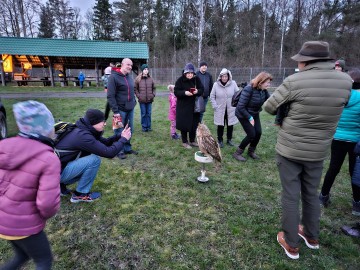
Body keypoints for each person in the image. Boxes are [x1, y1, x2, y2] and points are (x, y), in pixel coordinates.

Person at [263, 41, 353, 260]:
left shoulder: (295, 81)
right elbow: (341, 103)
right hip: (319, 150)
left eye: (300, 61)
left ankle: (291, 242)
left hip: (290, 150)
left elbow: (269, 107)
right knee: (311, 194)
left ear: (307, 61)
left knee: (291, 195)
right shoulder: (346, 81)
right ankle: (311, 236)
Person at [0, 101, 60, 269]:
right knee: (43, 261)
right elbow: (47, 204)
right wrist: (46, 215)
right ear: (46, 127)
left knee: (22, 255)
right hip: (23, 224)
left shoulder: (4, 146)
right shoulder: (48, 158)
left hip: (3, 220)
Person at [56, 109, 131, 203]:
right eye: (102, 121)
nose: (105, 124)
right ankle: (80, 195)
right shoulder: (83, 136)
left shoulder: (83, 129)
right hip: (55, 174)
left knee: (87, 159)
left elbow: (106, 142)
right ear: (94, 122)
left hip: (54, 171)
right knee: (94, 160)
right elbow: (109, 153)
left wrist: (120, 136)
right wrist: (124, 139)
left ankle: (60, 186)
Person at [319, 69, 360, 215]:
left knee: (333, 168)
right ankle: (357, 203)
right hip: (356, 141)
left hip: (337, 138)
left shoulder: (338, 96)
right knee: (355, 172)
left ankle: (323, 196)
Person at [233, 71, 272, 161]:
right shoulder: (248, 89)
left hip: (254, 112)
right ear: (261, 81)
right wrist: (249, 118)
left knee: (258, 133)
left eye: (269, 82)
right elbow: (240, 106)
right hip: (243, 114)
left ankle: (251, 151)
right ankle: (237, 153)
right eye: (267, 82)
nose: (269, 84)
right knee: (251, 134)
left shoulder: (263, 90)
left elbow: (270, 100)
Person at [107, 58, 138, 159]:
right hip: (119, 110)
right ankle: (118, 150)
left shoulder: (129, 77)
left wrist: (134, 101)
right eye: (128, 65)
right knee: (119, 131)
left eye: (131, 65)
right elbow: (110, 96)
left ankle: (127, 148)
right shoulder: (113, 77)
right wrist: (115, 111)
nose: (130, 67)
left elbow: (131, 91)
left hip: (130, 109)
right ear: (122, 64)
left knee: (129, 130)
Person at [174, 63, 204, 149]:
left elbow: (202, 89)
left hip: (194, 107)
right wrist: (184, 93)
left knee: (194, 124)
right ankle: (184, 141)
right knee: (184, 125)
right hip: (183, 107)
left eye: (191, 73)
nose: (190, 75)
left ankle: (192, 140)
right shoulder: (180, 80)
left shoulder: (196, 79)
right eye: (188, 73)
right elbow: (176, 92)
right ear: (185, 73)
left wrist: (197, 91)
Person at [209, 68, 239, 148]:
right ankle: (220, 140)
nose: (224, 78)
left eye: (226, 76)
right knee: (220, 125)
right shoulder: (216, 85)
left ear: (229, 77)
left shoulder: (233, 83)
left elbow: (238, 94)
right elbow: (212, 96)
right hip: (220, 109)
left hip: (231, 109)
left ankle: (229, 140)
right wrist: (215, 106)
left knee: (230, 125)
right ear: (220, 77)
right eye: (223, 76)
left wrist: (235, 104)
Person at [135, 64, 156, 132]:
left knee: (148, 114)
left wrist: (153, 95)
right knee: (143, 114)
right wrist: (139, 96)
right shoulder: (138, 79)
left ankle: (149, 127)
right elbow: (135, 89)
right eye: (144, 69)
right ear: (142, 70)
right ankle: (144, 127)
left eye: (147, 69)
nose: (146, 70)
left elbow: (154, 88)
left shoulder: (151, 79)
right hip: (142, 100)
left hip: (150, 100)